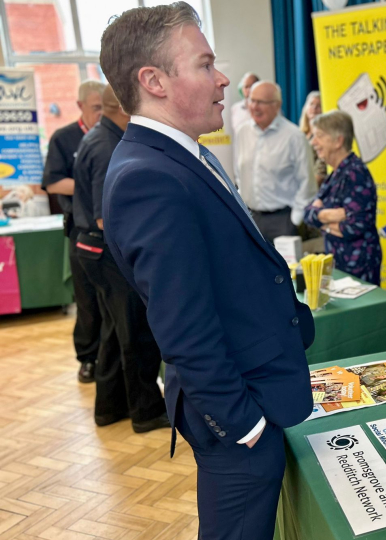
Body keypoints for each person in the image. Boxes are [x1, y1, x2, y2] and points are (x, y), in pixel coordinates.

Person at [99, 4, 314, 538]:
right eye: (204, 65)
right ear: (154, 81)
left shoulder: (185, 155)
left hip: (257, 386)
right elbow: (184, 329)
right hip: (236, 419)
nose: (222, 80)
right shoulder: (147, 178)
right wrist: (243, 426)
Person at [72, 85, 168, 433]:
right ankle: (145, 412)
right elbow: (104, 217)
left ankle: (109, 407)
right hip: (106, 250)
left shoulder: (100, 135)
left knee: (114, 332)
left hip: (92, 248)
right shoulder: (106, 146)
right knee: (136, 332)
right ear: (126, 108)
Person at [41, 80, 106, 384]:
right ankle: (88, 358)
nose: (102, 113)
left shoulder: (111, 135)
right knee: (88, 301)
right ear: (80, 106)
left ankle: (110, 357)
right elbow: (53, 183)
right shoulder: (64, 138)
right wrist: (92, 181)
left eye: (106, 107)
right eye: (96, 108)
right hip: (80, 230)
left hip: (109, 231)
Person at [304, 111, 381, 285]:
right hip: (339, 262)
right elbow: (308, 213)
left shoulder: (355, 173)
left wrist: (322, 219)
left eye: (319, 136)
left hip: (359, 265)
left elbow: (355, 226)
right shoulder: (336, 173)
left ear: (338, 141)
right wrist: (332, 216)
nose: (313, 142)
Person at [233, 81, 316, 240]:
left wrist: (294, 220)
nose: (254, 107)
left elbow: (307, 184)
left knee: (285, 266)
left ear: (277, 105)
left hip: (283, 221)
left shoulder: (294, 137)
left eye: (261, 102)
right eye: (251, 100)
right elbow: (239, 174)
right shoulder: (242, 132)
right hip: (250, 218)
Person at [299, 91, 327, 187]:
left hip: (312, 189)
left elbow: (321, 169)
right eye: (311, 104)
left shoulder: (325, 136)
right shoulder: (300, 134)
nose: (314, 108)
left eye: (319, 105)